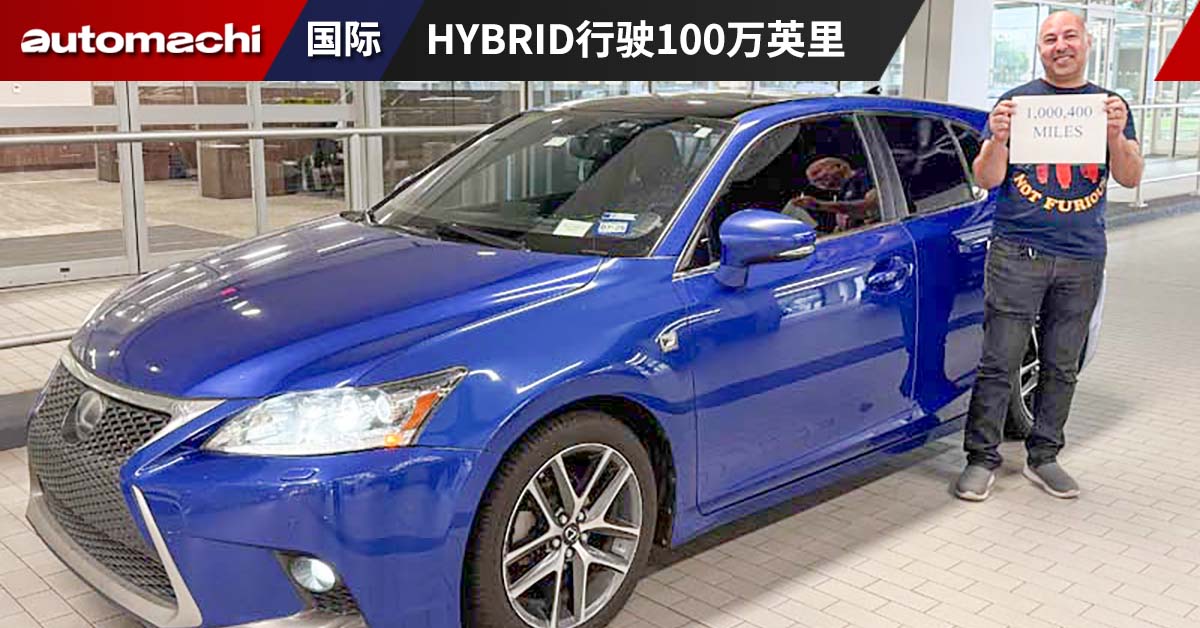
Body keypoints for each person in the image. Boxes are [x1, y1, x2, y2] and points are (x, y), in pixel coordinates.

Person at [955, 10, 1142, 501]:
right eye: (1050, 38)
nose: (1060, 45)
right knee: (999, 361)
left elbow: (1130, 176)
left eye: (1069, 36)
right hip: (1017, 253)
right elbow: (987, 178)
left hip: (1082, 257)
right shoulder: (1016, 104)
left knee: (1061, 364)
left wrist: (1115, 136)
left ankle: (1044, 456)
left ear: (1087, 43)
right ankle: (980, 458)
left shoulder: (1109, 106)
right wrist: (997, 138)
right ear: (1039, 48)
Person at [783, 156, 879, 233]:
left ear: (838, 166)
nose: (816, 181)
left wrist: (819, 205)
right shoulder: (840, 196)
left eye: (816, 173)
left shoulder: (867, 177)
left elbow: (870, 206)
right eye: (813, 182)